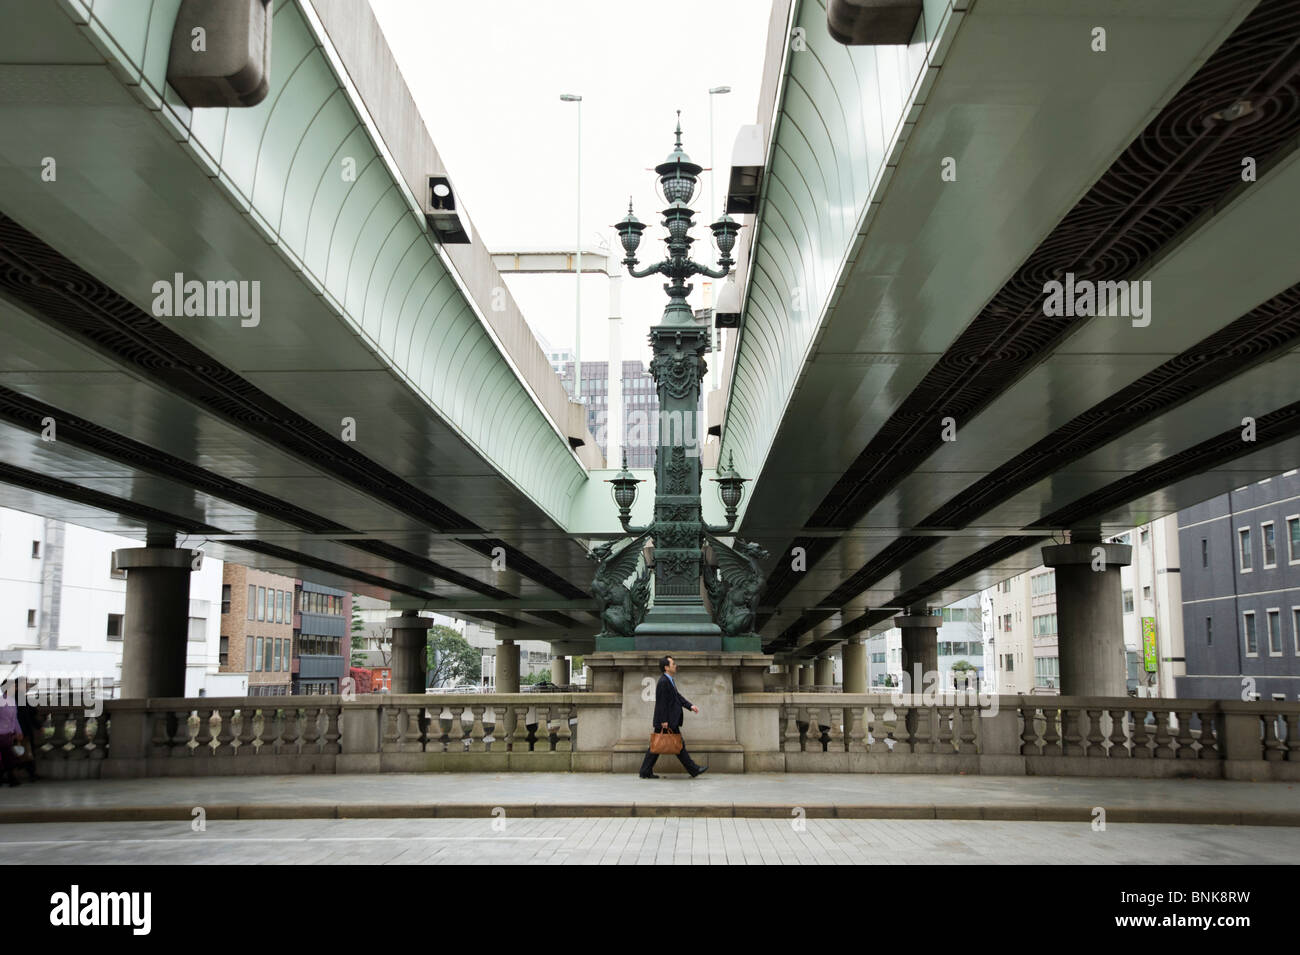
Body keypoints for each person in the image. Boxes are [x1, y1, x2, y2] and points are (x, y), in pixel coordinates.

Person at [638, 655, 708, 779]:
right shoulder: (663, 682)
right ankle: (694, 769)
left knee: (658, 746)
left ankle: (645, 771)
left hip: (669, 720)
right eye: (673, 664)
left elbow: (677, 697)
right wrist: (664, 720)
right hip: (667, 721)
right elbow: (661, 703)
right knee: (674, 746)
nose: (675, 666)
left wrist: (690, 706)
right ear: (666, 667)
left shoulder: (669, 680)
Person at [0, 681, 22, 787]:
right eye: (14, 686)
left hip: (9, 734)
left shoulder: (12, 701)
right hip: (1, 734)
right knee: (7, 757)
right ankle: (12, 779)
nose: (16, 688)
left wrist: (18, 731)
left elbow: (15, 719)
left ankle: (11, 779)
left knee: (7, 757)